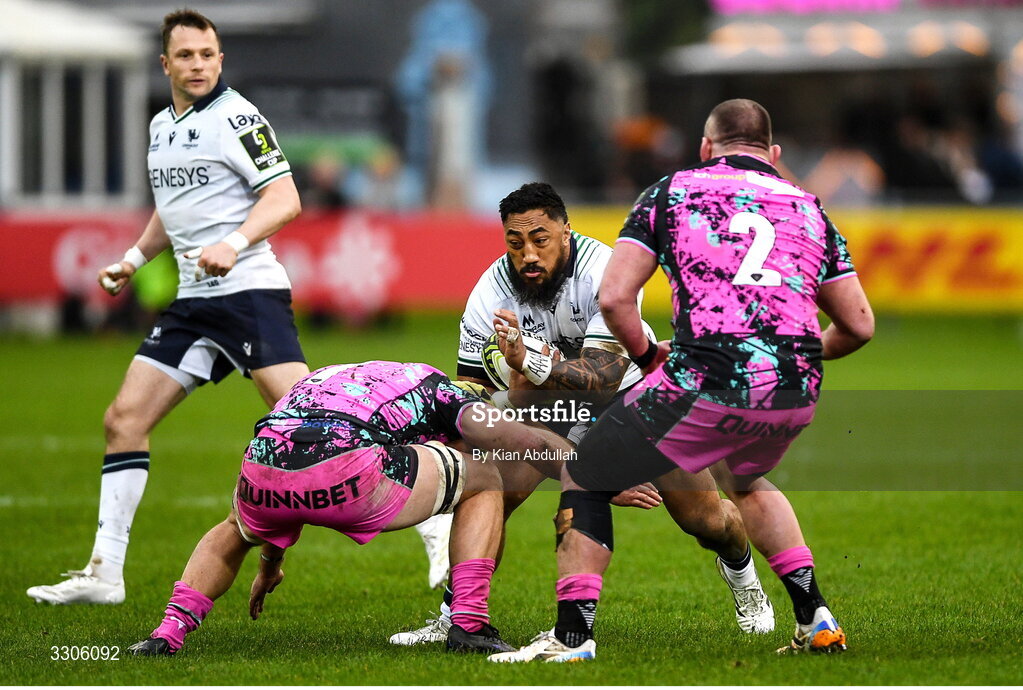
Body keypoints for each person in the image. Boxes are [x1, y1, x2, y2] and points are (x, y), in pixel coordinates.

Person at [489, 99, 874, 663]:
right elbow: (859, 325)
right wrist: (782, 354)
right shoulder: (811, 207)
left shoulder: (671, 192)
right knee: (746, 482)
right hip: (793, 387)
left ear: (704, 148)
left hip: (705, 374)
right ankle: (816, 617)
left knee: (586, 469)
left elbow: (616, 298)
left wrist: (647, 356)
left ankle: (572, 637)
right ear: (774, 154)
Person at [393, 182, 774, 646]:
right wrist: (449, 445)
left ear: (566, 233)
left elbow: (604, 377)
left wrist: (529, 362)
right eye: (515, 243)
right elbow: (470, 387)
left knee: (706, 520)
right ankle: (459, 615)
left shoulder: (604, 273)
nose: (528, 254)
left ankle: (745, 580)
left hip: (638, 399)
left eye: (540, 240)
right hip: (546, 407)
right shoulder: (489, 294)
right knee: (488, 490)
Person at [28, 9, 308, 605]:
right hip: (192, 303)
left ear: (221, 58)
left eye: (208, 54)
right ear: (167, 64)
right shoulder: (161, 125)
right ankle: (105, 571)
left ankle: (431, 522)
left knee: (314, 425)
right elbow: (173, 210)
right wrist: (133, 258)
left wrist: (233, 244)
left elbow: (284, 197)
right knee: (123, 420)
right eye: (186, 56)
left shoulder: (237, 117)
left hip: (248, 293)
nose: (199, 64)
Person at [128, 361, 575, 656]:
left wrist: (270, 561)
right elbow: (507, 438)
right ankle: (470, 626)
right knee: (484, 476)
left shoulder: (342, 374)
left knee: (233, 528)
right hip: (348, 467)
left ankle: (166, 634)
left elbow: (296, 464)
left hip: (263, 462)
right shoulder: (441, 390)